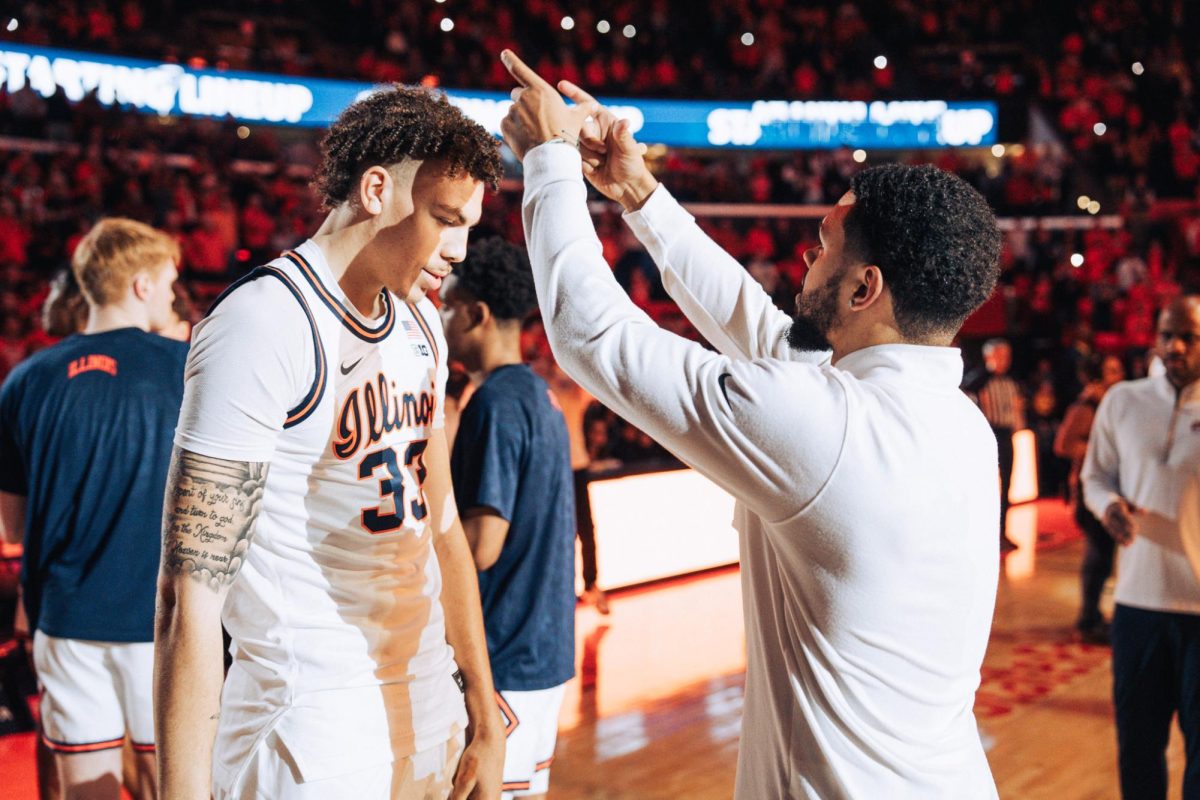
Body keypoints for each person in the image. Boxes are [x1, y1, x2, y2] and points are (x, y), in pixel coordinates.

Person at [499, 51, 1003, 798]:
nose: (806, 260)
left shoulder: (829, 429)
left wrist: (547, 161)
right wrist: (639, 194)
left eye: (824, 245)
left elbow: (595, 339)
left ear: (866, 287)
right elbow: (763, 331)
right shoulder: (957, 425)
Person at [154, 86, 506, 800]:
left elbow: (442, 531)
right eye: (445, 219)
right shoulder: (263, 323)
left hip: (427, 705)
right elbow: (187, 594)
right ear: (377, 189)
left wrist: (484, 712)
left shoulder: (422, 327)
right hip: (310, 732)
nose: (458, 252)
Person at [0, 217, 187, 800]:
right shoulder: (184, 369)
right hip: (160, 618)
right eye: (170, 283)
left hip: (65, 619)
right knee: (171, 785)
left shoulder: (26, 379)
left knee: (87, 791)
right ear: (141, 285)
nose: (174, 296)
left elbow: (10, 525)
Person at [441, 237, 576, 799]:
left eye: (447, 305)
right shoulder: (539, 396)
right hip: (543, 651)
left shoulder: (494, 401)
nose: (440, 316)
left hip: (503, 656)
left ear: (475, 314)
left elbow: (481, 545)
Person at [1082, 296, 1200, 799]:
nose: (1174, 346)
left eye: (1188, 337)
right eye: (1166, 334)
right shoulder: (1122, 400)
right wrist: (1107, 505)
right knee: (1137, 748)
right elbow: (1095, 475)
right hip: (1135, 605)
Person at [1053, 353, 1125, 644]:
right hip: (1088, 489)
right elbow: (1063, 445)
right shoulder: (1086, 407)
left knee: (1103, 556)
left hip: (1108, 487)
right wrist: (1098, 451)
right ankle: (1087, 620)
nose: (1118, 375)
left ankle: (1092, 616)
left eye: (1119, 370)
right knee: (1097, 557)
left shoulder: (1112, 405)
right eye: (1112, 370)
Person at [974, 338, 1026, 553]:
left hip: (1006, 436)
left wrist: (1018, 426)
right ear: (988, 357)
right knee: (984, 487)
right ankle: (982, 533)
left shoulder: (1011, 382)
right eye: (1000, 355)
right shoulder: (977, 381)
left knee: (1007, 485)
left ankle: (1002, 532)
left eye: (1007, 356)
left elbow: (1017, 409)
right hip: (986, 436)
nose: (1005, 361)